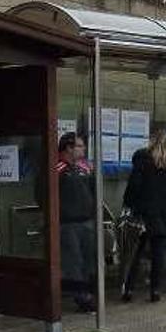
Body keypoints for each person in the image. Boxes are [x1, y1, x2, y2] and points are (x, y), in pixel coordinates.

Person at [122, 129, 166, 302]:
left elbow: (135, 184)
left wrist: (128, 203)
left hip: (145, 211)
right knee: (159, 251)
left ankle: (129, 289)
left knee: (136, 250)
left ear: (151, 139)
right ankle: (155, 290)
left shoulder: (143, 156)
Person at [52, 133, 98, 313]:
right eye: (80, 146)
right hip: (67, 223)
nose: (83, 149)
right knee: (74, 261)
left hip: (86, 221)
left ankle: (88, 292)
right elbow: (43, 194)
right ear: (69, 148)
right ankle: (81, 297)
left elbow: (93, 191)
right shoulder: (57, 168)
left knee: (88, 259)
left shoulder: (84, 168)